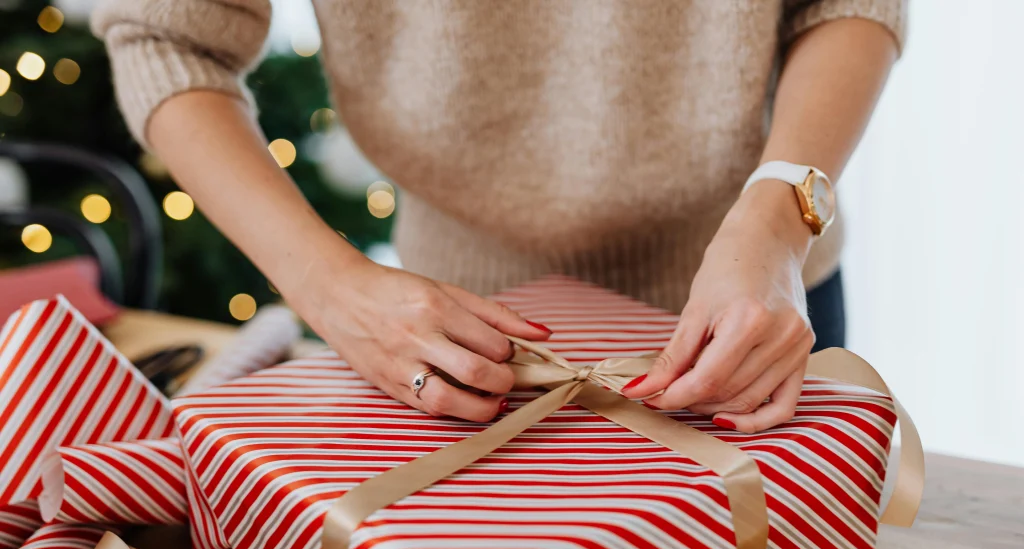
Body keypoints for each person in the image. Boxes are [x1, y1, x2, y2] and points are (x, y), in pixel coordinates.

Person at [93, 0, 903, 432]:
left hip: (757, 293)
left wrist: (778, 220)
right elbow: (166, 39)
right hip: (463, 343)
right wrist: (325, 285)